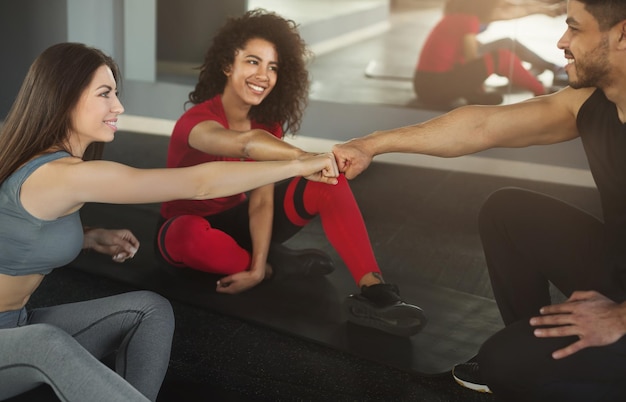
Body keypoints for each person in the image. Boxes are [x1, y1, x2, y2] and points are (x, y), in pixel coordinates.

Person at [0, 42, 339, 402]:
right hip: (23, 339)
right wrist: (299, 165)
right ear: (63, 96)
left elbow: (16, 228)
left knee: (150, 310)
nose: (119, 106)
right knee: (47, 343)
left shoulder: (47, 164)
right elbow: (199, 184)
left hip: (16, 324)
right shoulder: (59, 174)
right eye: (105, 94)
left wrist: (87, 237)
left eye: (116, 93)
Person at [334, 0, 626, 399]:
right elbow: (482, 126)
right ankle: (540, 349)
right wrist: (371, 144)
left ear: (622, 35)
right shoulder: (591, 102)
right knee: (508, 211)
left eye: (575, 29)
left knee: (504, 364)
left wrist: (619, 319)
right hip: (619, 265)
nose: (562, 40)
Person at [154, 9, 427, 337]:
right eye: (253, 61)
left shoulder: (268, 124)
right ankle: (278, 265)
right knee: (189, 237)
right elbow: (245, 145)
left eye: (272, 67)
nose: (263, 75)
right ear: (228, 64)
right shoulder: (197, 123)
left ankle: (374, 290)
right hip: (184, 226)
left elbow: (261, 200)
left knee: (328, 180)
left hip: (240, 220)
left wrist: (254, 270)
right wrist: (307, 158)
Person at [414, 0, 566, 108]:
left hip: (427, 85)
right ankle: (541, 91)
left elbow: (459, 55)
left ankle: (475, 95)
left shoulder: (459, 16)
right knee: (502, 57)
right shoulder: (468, 20)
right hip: (435, 87)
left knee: (501, 54)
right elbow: (470, 61)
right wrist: (482, 81)